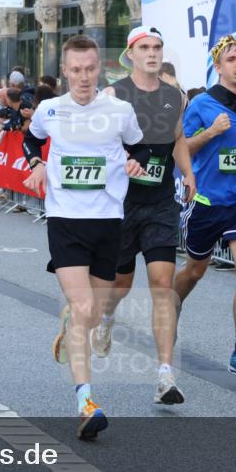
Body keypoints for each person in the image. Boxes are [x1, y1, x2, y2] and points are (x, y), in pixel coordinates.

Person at [22, 34, 148, 440]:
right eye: (75, 70)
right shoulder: (49, 109)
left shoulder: (119, 110)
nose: (83, 77)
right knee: (82, 306)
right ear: (65, 71)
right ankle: (86, 402)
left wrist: (134, 163)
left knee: (93, 312)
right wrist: (36, 163)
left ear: (100, 68)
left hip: (109, 219)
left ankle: (73, 321)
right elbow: (31, 137)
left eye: (90, 69)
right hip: (65, 220)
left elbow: (141, 148)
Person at [91, 26, 196, 405]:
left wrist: (187, 172)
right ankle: (105, 320)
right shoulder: (114, 95)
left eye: (157, 47)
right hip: (121, 204)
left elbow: (178, 137)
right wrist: (122, 161)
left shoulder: (174, 96)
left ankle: (165, 375)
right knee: (119, 284)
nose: (152, 54)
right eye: (144, 48)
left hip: (160, 204)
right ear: (131, 55)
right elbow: (99, 144)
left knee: (162, 285)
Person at [172, 34, 236, 382]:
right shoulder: (201, 105)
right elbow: (183, 149)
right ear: (218, 67)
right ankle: (170, 308)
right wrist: (210, 132)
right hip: (208, 202)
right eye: (232, 60)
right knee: (195, 270)